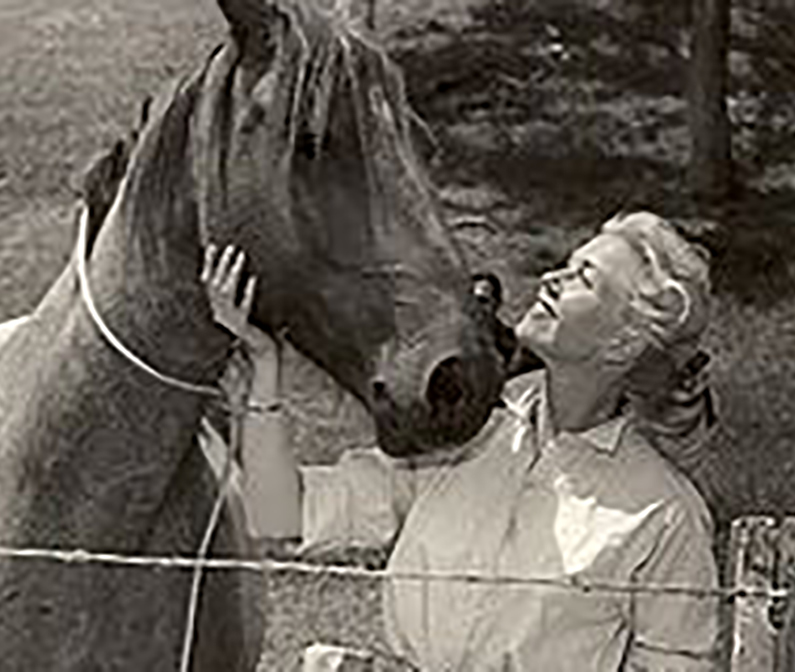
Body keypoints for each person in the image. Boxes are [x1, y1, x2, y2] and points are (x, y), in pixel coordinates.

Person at [201, 211, 723, 671]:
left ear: (623, 342)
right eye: (567, 262)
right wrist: (264, 362)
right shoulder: (465, 427)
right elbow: (279, 515)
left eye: (585, 278)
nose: (552, 277)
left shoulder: (663, 515)